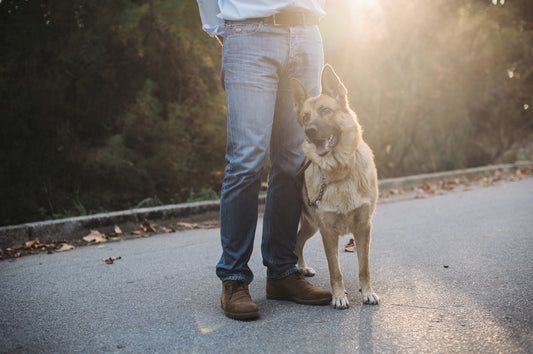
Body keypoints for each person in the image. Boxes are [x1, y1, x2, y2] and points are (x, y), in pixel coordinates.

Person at [196, 0, 332, 321]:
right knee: (247, 159)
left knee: (293, 161)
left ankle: (283, 272)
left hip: (307, 33)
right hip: (248, 33)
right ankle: (234, 278)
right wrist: (221, 28)